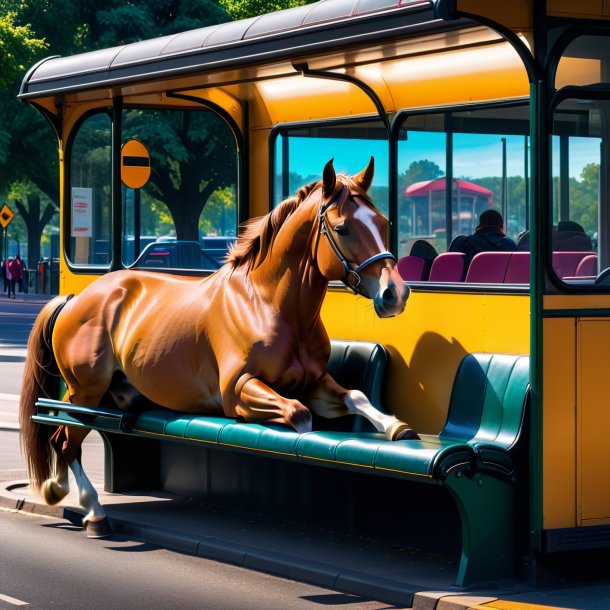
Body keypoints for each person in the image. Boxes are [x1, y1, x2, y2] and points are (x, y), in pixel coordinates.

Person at [449, 209, 516, 266]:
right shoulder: (510, 245)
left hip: (470, 281)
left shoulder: (464, 243)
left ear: (479, 226)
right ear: (501, 228)